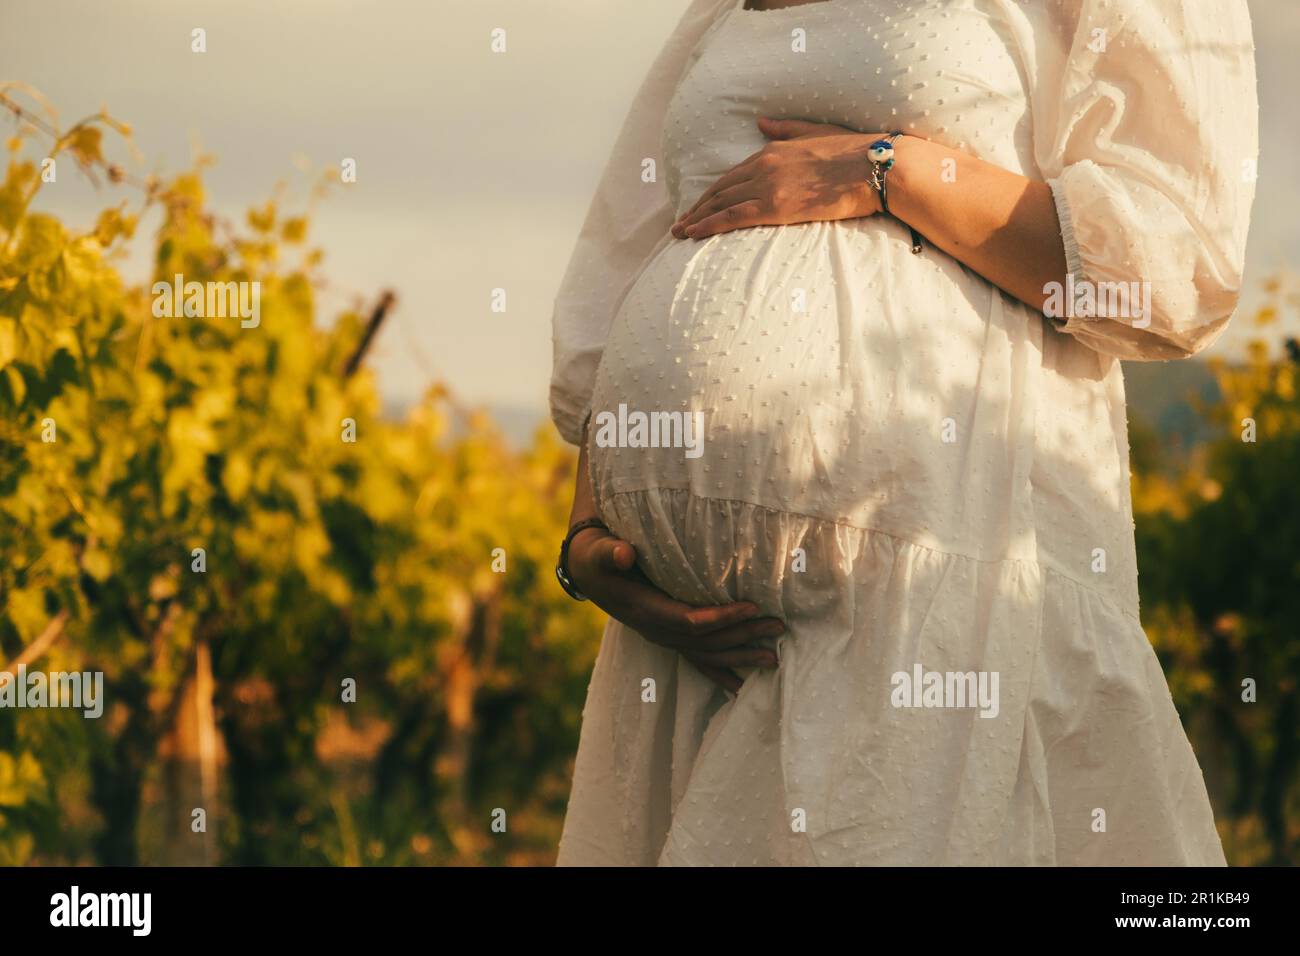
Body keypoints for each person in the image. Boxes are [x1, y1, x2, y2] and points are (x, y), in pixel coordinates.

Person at [548, 0, 1258, 865]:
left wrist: (893, 172)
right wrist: (589, 537)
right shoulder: (721, 14)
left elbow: (1170, 271)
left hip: (938, 606)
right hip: (696, 663)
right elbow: (632, 265)